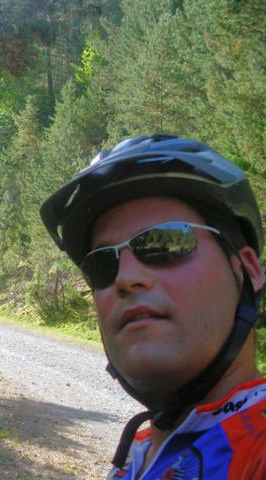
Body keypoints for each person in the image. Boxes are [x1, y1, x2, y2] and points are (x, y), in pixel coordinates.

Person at [39, 134, 266, 479]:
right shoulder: (139, 453)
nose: (126, 278)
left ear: (247, 270)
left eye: (165, 242)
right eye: (102, 264)